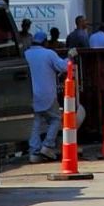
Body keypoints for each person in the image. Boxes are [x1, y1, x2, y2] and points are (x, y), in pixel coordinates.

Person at [24, 28, 66, 162]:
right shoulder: (49, 54)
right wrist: (70, 57)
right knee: (55, 119)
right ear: (45, 42)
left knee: (34, 123)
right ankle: (47, 145)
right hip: (47, 94)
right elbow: (63, 67)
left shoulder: (26, 54)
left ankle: (34, 152)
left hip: (30, 95)